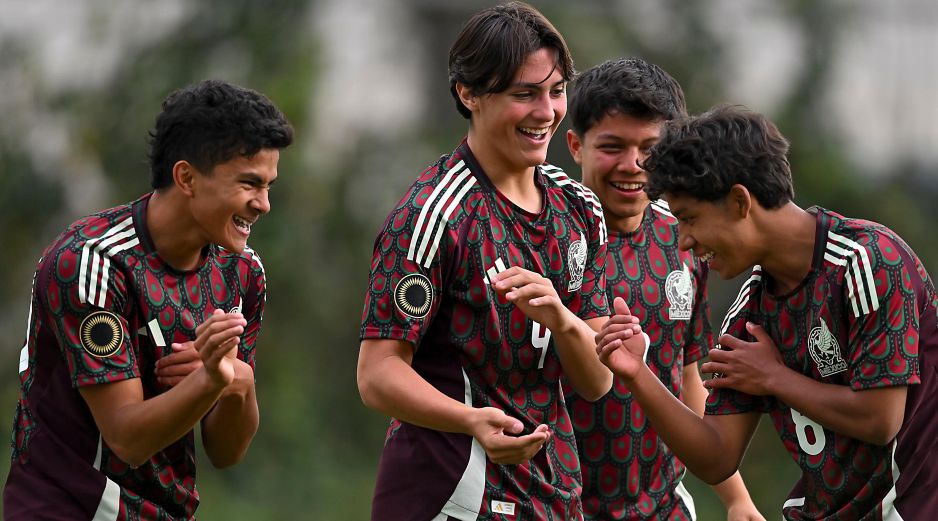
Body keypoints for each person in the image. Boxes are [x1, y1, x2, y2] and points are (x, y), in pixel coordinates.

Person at [596, 104, 938, 520]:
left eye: (689, 218)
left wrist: (773, 377)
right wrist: (637, 373)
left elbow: (880, 419)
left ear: (740, 202)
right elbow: (717, 457)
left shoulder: (868, 262)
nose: (683, 240)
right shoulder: (750, 314)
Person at [357, 2, 613, 520]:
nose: (546, 111)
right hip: (451, 492)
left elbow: (597, 381)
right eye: (524, 94)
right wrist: (470, 420)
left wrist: (563, 320)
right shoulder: (433, 216)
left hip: (553, 494)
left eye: (556, 90)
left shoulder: (580, 208)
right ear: (468, 94)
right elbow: (377, 374)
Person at [2, 79, 293, 520]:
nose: (264, 204)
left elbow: (226, 451)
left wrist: (239, 382)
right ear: (187, 177)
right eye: (250, 183)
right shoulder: (91, 264)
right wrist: (210, 379)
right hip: (69, 507)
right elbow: (127, 439)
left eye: (269, 185)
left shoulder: (243, 273)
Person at [564, 59, 764, 520]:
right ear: (576, 145)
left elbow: (686, 374)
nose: (632, 165)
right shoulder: (546, 238)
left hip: (662, 505)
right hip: (557, 506)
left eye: (649, 149)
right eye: (612, 147)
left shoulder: (684, 237)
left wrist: (736, 498)